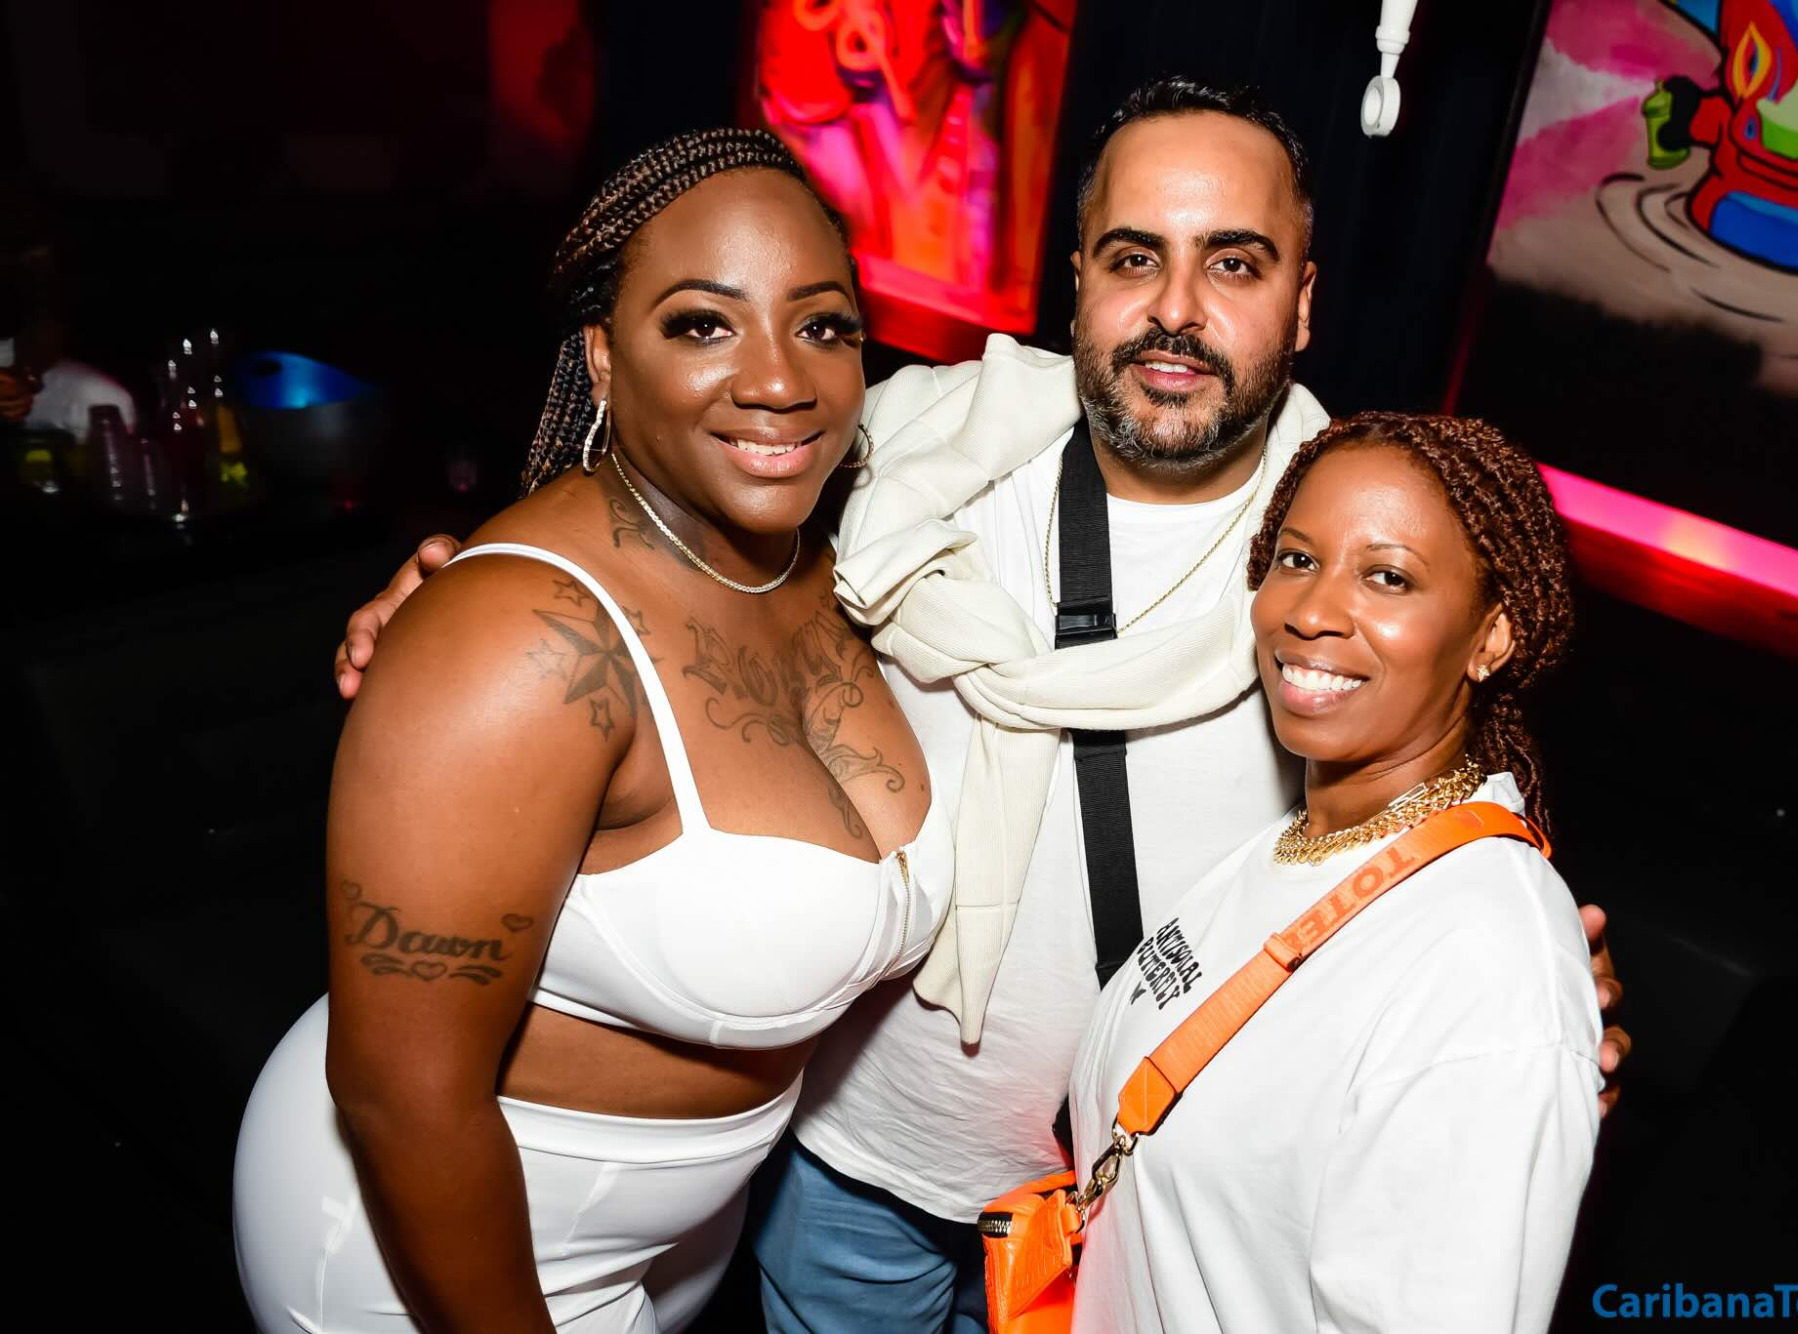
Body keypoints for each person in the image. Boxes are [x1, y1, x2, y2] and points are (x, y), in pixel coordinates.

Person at [334, 81, 1630, 1333]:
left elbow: (1429, 836)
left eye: (1233, 264)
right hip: (849, 1164)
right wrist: (468, 599)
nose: (1176, 309)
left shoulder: (1359, 552)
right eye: (1134, 257)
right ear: (1077, 279)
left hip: (1135, 1207)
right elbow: (660, 535)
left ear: (1302, 301)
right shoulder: (894, 453)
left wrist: (1521, 1006)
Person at [234, 127, 953, 1334]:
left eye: (823, 325)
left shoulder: (835, 560)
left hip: (685, 1229)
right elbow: (403, 1097)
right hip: (431, 1249)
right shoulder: (525, 638)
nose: (780, 379)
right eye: (703, 323)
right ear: (602, 357)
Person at [1068, 412, 1600, 1333]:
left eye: (1388, 576)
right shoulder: (1303, 840)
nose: (1310, 611)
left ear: (1491, 637)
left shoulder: (1483, 966)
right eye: (1298, 558)